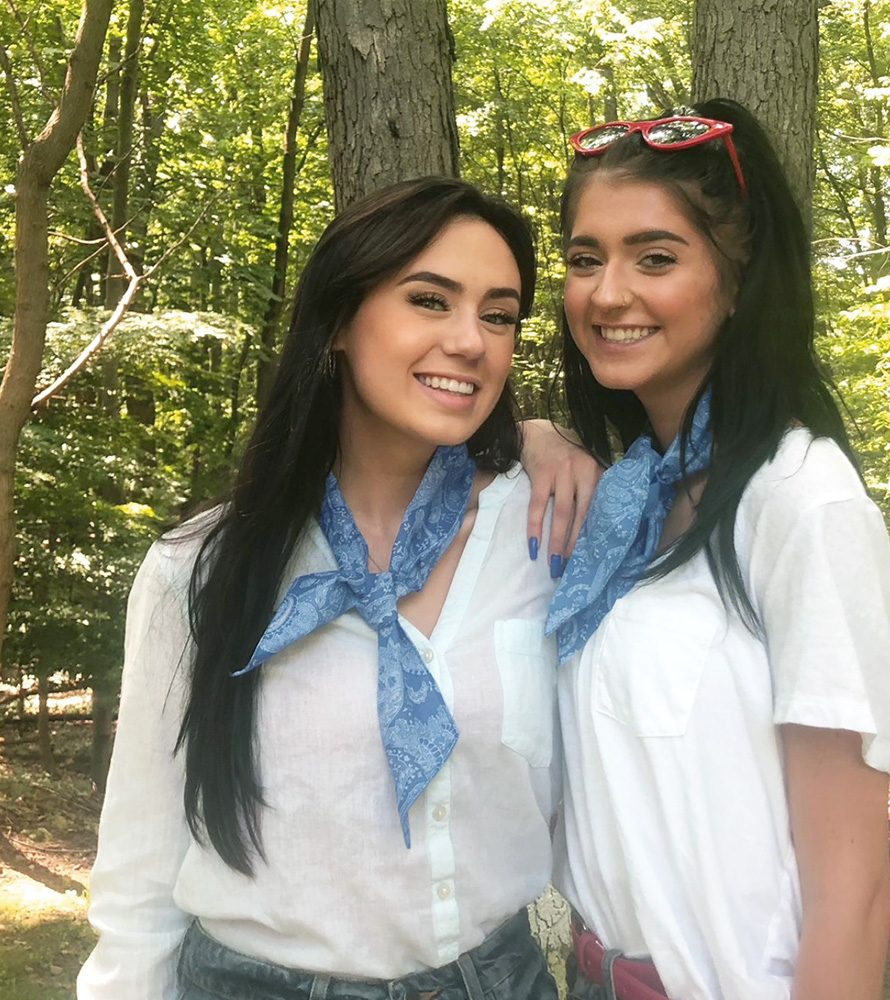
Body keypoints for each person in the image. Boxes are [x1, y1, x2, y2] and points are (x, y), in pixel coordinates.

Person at [79, 176, 583, 1000]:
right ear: (341, 320)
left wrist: (545, 434)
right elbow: (139, 867)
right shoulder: (201, 571)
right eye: (430, 300)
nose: (471, 341)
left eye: (498, 315)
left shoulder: (547, 536)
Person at [546, 100, 890, 1000]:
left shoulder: (801, 499)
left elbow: (855, 892)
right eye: (585, 258)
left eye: (656, 257)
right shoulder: (628, 500)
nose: (607, 293)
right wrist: (528, 434)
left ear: (740, 280)